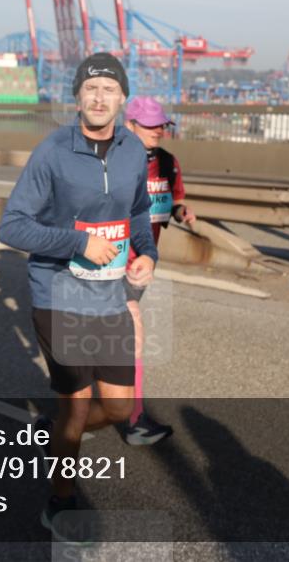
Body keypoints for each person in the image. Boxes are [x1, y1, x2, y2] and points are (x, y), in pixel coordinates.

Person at [0, 52, 158, 540]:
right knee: (77, 405)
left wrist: (146, 253)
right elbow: (12, 226)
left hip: (109, 296)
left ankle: (58, 441)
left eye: (109, 89)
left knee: (115, 408)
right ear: (77, 97)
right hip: (59, 294)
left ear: (123, 99)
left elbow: (136, 213)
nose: (99, 97)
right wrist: (77, 242)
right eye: (90, 89)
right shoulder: (52, 152)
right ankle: (59, 502)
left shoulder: (133, 151)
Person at [122, 96, 197, 445]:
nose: (158, 131)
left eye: (161, 124)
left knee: (110, 340)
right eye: (150, 125)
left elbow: (174, 200)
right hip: (112, 262)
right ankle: (135, 420)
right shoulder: (113, 159)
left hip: (145, 261)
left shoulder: (168, 162)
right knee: (132, 337)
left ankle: (65, 412)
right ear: (130, 124)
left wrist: (182, 213)